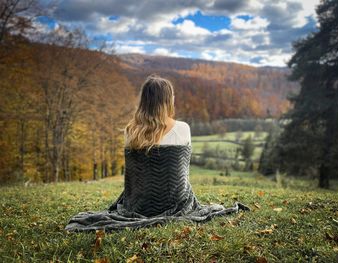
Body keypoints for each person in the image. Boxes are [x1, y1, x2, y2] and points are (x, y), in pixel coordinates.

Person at [65, 74, 249, 232]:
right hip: (176, 202)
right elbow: (182, 171)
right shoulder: (183, 129)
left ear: (144, 101)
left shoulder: (131, 131)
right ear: (168, 100)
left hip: (139, 205)